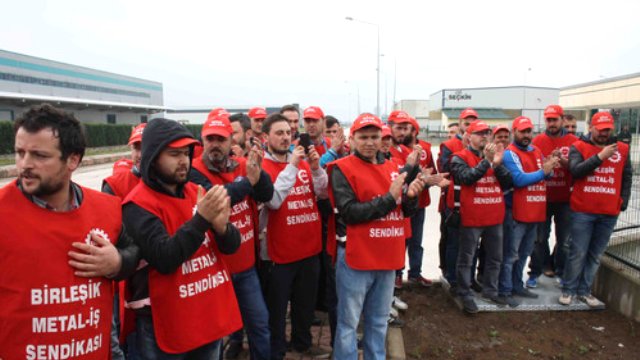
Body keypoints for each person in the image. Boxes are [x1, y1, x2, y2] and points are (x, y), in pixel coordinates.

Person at [0, 103, 139, 358]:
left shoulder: (107, 208)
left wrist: (117, 262)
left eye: (39, 155)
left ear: (73, 159)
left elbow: (134, 252)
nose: (25, 164)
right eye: (20, 153)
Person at [122, 118, 242, 358]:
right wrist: (201, 220)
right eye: (173, 154)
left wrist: (222, 229)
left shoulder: (193, 191)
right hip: (167, 321)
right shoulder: (137, 205)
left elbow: (231, 247)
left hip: (207, 312)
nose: (183, 162)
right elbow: (165, 258)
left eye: (186, 153)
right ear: (153, 157)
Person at [328, 113, 426, 360]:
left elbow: (403, 210)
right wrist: (389, 199)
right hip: (356, 259)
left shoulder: (393, 167)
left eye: (375, 137)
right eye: (364, 137)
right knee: (349, 324)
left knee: (379, 321)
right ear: (352, 139)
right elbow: (349, 212)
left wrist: (411, 198)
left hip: (387, 258)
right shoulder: (341, 168)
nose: (370, 142)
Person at [189, 112, 274, 360]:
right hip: (215, 269)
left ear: (230, 140)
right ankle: (233, 346)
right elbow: (217, 198)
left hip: (245, 265)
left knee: (259, 323)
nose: (215, 144)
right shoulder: (194, 170)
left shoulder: (241, 163)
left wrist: (258, 171)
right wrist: (249, 180)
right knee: (215, 332)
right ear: (202, 140)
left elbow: (266, 192)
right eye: (210, 138)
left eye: (221, 138)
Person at [260, 113, 331, 359]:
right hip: (280, 252)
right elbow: (273, 201)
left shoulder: (301, 162)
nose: (284, 137)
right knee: (277, 308)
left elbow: (322, 193)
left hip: (309, 247)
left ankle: (303, 343)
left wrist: (316, 168)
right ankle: (277, 349)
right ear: (265, 137)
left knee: (305, 304)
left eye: (287, 133)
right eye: (278, 133)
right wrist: (292, 165)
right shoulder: (263, 167)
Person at [560, 111, 632, 307]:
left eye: (607, 130)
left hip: (609, 212)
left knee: (595, 254)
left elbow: (627, 176)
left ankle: (584, 291)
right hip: (583, 211)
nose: (603, 134)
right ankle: (568, 290)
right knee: (578, 251)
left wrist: (622, 201)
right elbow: (576, 170)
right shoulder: (578, 146)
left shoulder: (623, 149)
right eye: (600, 130)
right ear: (591, 128)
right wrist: (600, 157)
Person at [448, 120, 513, 313]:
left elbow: (509, 182)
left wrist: (498, 165)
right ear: (468, 137)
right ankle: (465, 292)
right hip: (472, 217)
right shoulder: (458, 157)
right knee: (466, 258)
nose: (484, 136)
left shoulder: (497, 158)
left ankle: (490, 290)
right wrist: (486, 161)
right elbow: (466, 178)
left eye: (487, 133)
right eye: (479, 133)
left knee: (495, 258)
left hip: (494, 216)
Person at [500, 116, 558, 306]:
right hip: (517, 212)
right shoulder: (510, 153)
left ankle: (517, 285)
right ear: (514, 132)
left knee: (524, 253)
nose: (526, 135)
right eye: (522, 131)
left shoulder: (537, 151)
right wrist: (544, 171)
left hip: (535, 211)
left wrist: (551, 165)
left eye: (529, 131)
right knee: (511, 255)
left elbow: (545, 174)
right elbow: (519, 179)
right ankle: (505, 290)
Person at [103, 122, 147, 359]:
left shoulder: (169, 182)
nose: (140, 154)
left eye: (145, 146)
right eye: (136, 147)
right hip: (125, 279)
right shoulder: (115, 185)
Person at [527, 105, 578, 288]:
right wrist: (546, 166)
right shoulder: (538, 141)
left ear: (562, 120)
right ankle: (535, 272)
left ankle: (562, 273)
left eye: (554, 119)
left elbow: (579, 168)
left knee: (564, 240)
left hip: (565, 199)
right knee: (539, 238)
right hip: (543, 198)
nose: (551, 123)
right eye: (548, 119)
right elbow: (530, 167)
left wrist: (563, 162)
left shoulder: (574, 141)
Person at [440, 108, 476, 291]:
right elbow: (448, 170)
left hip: (477, 202)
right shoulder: (449, 145)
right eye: (467, 123)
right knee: (454, 241)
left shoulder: (482, 146)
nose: (469, 127)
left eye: (473, 124)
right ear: (461, 123)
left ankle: (471, 278)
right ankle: (452, 277)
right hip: (454, 201)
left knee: (472, 244)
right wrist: (466, 151)